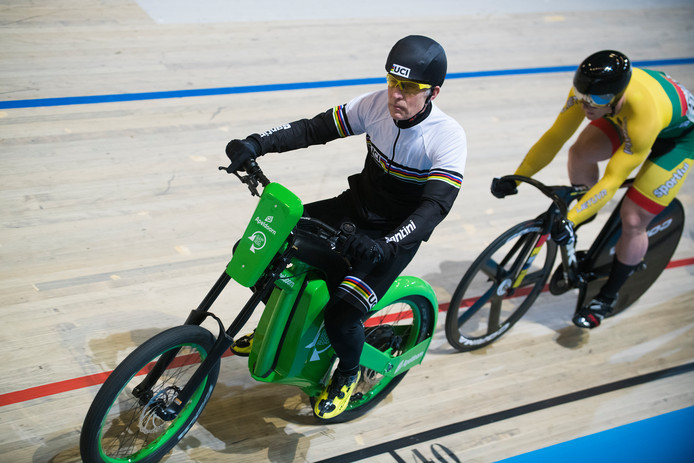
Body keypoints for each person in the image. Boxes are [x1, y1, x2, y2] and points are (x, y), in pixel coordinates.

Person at [224, 35, 467, 419]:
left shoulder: (447, 136)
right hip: (353, 210)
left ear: (434, 92)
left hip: (393, 235)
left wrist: (388, 243)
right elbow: (312, 129)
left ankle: (348, 375)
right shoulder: (374, 105)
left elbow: (435, 206)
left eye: (409, 87)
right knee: (258, 248)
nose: (396, 95)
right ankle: (280, 328)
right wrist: (257, 143)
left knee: (342, 315)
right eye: (392, 81)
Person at [492, 50, 693, 329]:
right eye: (582, 96)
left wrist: (570, 220)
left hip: (676, 139)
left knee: (634, 218)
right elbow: (555, 137)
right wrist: (516, 177)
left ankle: (607, 297)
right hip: (622, 114)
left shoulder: (643, 115)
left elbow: (612, 179)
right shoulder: (591, 95)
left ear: (616, 95)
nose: (587, 106)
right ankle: (586, 214)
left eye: (596, 100)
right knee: (580, 153)